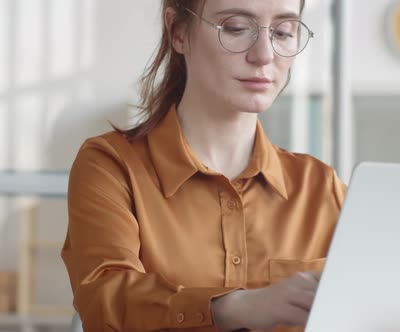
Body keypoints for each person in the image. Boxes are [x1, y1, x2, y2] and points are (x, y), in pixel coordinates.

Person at [61, 0, 347, 331]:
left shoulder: (321, 186)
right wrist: (236, 306)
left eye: (284, 32)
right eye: (237, 28)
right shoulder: (111, 166)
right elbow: (106, 302)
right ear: (178, 32)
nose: (265, 55)